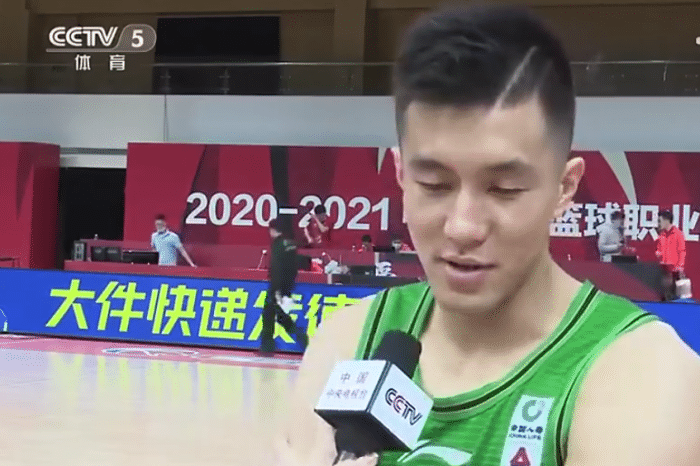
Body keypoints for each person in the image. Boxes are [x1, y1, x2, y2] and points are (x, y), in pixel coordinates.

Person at [276, 4, 700, 466]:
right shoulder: (348, 343)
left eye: (504, 189)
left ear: (565, 187)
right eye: (434, 185)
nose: (462, 226)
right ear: (400, 174)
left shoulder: (642, 376)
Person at [260, 219, 309, 355]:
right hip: (288, 285)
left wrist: (276, 289)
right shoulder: (291, 244)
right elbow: (294, 266)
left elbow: (277, 267)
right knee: (280, 315)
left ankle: (268, 346)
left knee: (268, 315)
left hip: (277, 286)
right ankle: (300, 337)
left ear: (272, 230)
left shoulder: (277, 244)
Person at [656, 210, 686, 275]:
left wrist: (680, 266)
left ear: (666, 221)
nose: (659, 224)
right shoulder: (662, 234)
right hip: (663, 269)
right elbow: (659, 249)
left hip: (674, 269)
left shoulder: (678, 234)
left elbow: (682, 251)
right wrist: (658, 253)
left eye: (660, 221)